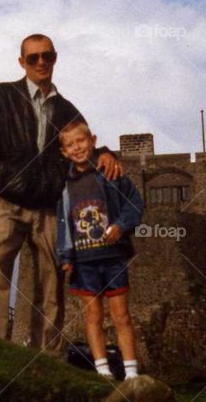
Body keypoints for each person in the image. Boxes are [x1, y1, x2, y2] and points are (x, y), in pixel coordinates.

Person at [0, 33, 122, 353]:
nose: (41, 62)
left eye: (47, 56)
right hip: (5, 201)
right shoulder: (0, 96)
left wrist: (107, 153)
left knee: (51, 285)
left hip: (49, 206)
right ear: (21, 62)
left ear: (55, 58)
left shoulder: (66, 109)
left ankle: (46, 360)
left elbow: (83, 147)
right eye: (33, 58)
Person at [56, 121, 143, 379]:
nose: (76, 148)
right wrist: (66, 257)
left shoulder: (110, 172)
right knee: (93, 316)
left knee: (122, 316)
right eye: (70, 145)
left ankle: (131, 372)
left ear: (93, 140)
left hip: (113, 257)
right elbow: (64, 225)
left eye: (81, 141)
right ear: (64, 152)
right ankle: (102, 371)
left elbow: (136, 204)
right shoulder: (64, 187)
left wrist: (121, 225)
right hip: (84, 262)